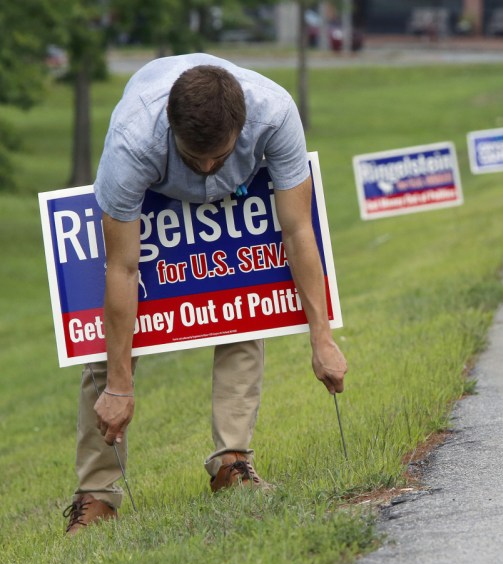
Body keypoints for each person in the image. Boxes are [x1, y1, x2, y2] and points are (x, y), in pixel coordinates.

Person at [63, 53, 348, 534]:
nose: (208, 168)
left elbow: (299, 232)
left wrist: (321, 337)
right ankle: (97, 495)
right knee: (110, 349)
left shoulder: (275, 114)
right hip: (151, 202)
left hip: (236, 200)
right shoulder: (132, 143)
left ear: (242, 125)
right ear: (171, 131)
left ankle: (231, 464)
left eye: (219, 155)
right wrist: (119, 385)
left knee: (245, 305)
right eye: (196, 159)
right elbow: (122, 268)